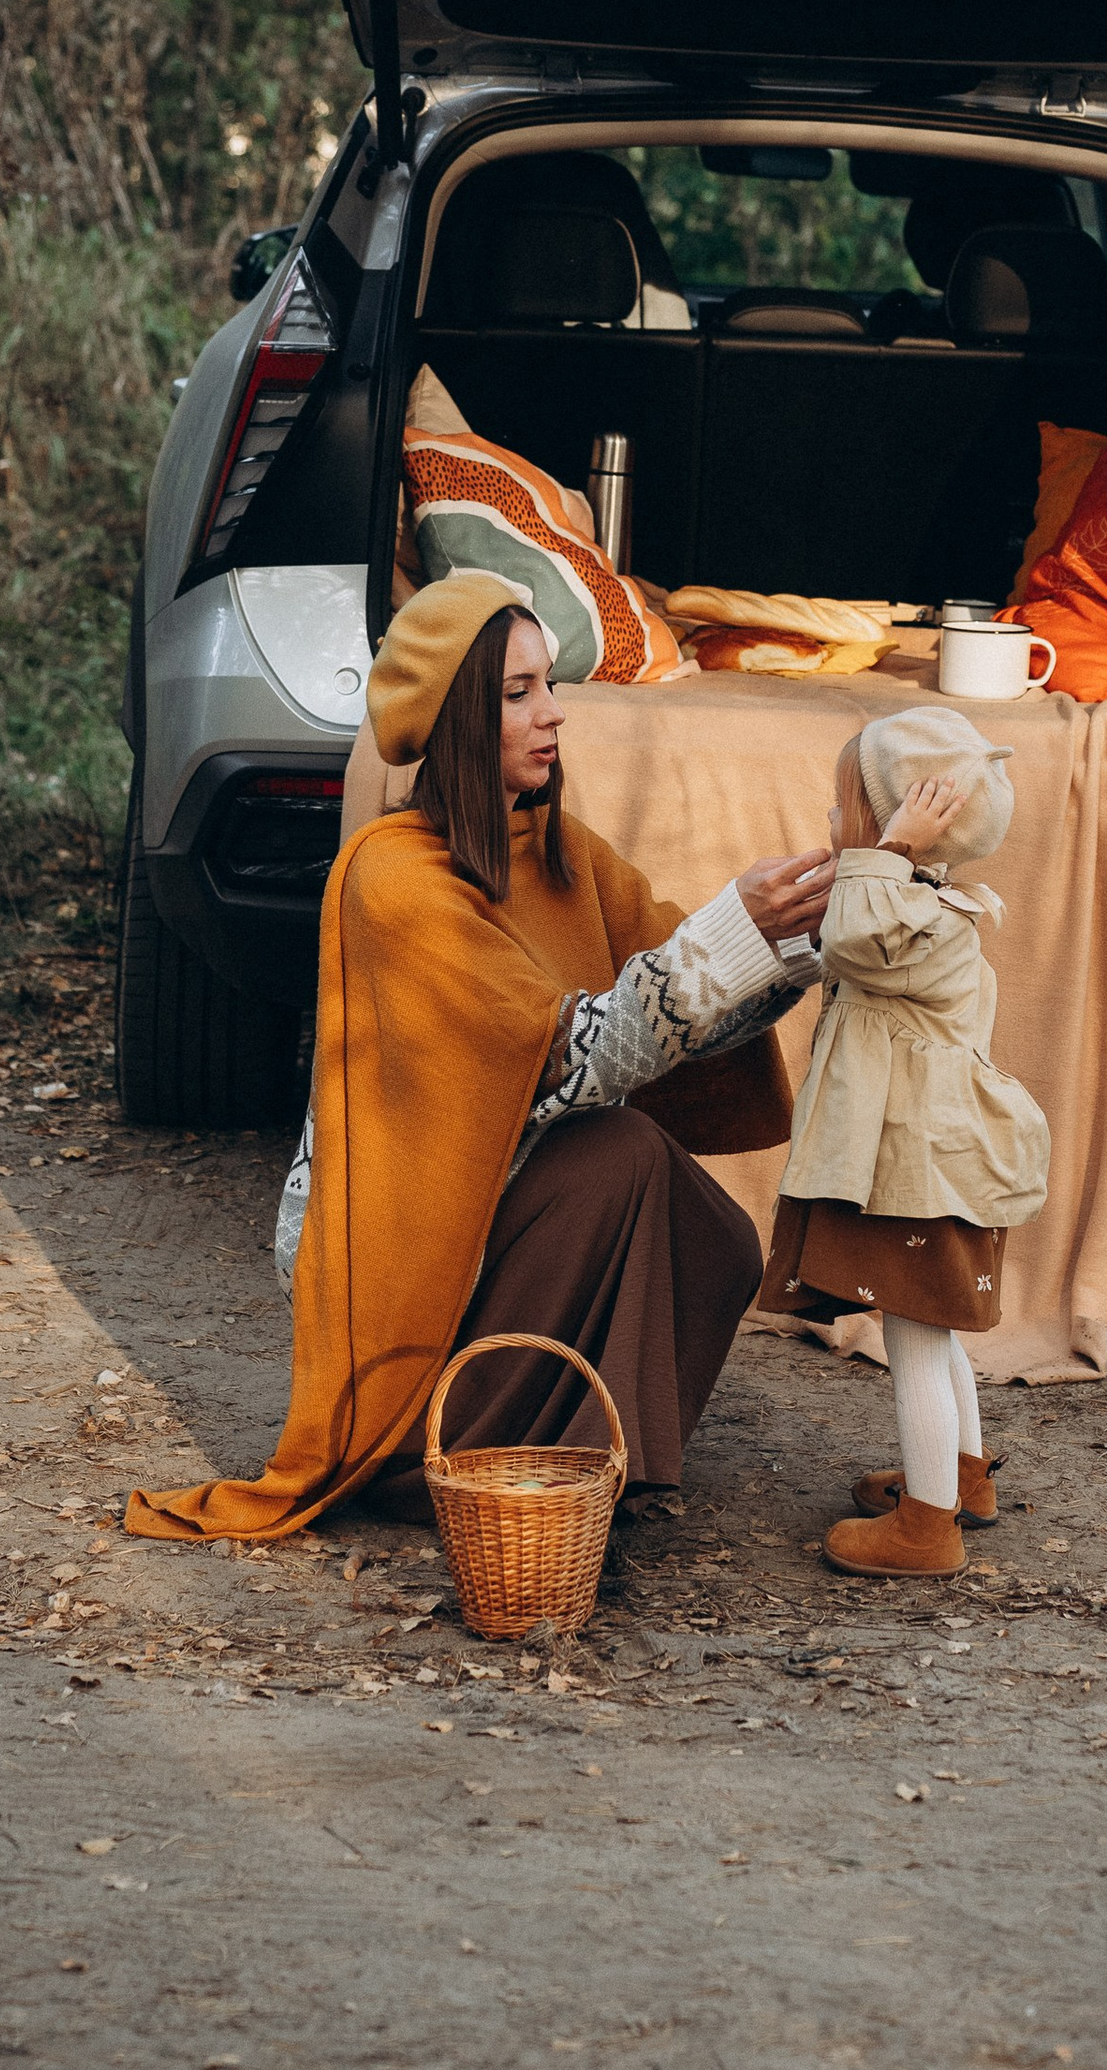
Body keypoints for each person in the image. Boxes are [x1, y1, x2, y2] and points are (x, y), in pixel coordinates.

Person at [125, 571, 834, 1544]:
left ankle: (577, 1471)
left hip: (495, 1195)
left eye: (548, 684)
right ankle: (439, 1460)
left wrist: (798, 938)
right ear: (457, 714)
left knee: (714, 1235)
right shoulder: (391, 876)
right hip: (399, 1270)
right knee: (620, 1153)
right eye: (517, 694)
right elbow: (572, 1061)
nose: (553, 714)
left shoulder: (558, 851)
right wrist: (732, 933)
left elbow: (686, 995)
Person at [759, 706, 1051, 1579]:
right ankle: (961, 1477)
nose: (833, 823)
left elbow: (851, 934)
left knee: (917, 1340)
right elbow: (845, 939)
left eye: (850, 807)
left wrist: (885, 847)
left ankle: (927, 1527)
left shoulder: (908, 921)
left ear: (915, 825)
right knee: (933, 1331)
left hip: (921, 1179)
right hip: (925, 1171)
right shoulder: (911, 910)